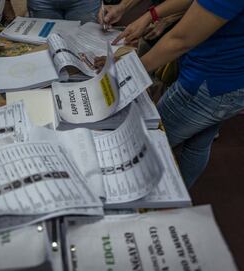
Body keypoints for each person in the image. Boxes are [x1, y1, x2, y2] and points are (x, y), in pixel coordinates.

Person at [105, 0, 244, 188]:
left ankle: (147, 201)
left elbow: (180, 40)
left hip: (208, 83)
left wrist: (128, 68)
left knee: (143, 145)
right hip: (230, 81)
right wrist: (150, 15)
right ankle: (179, 198)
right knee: (198, 144)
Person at [28, 0, 101, 24]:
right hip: (42, 2)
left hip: (84, 2)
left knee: (86, 39)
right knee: (44, 41)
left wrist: (110, 3)